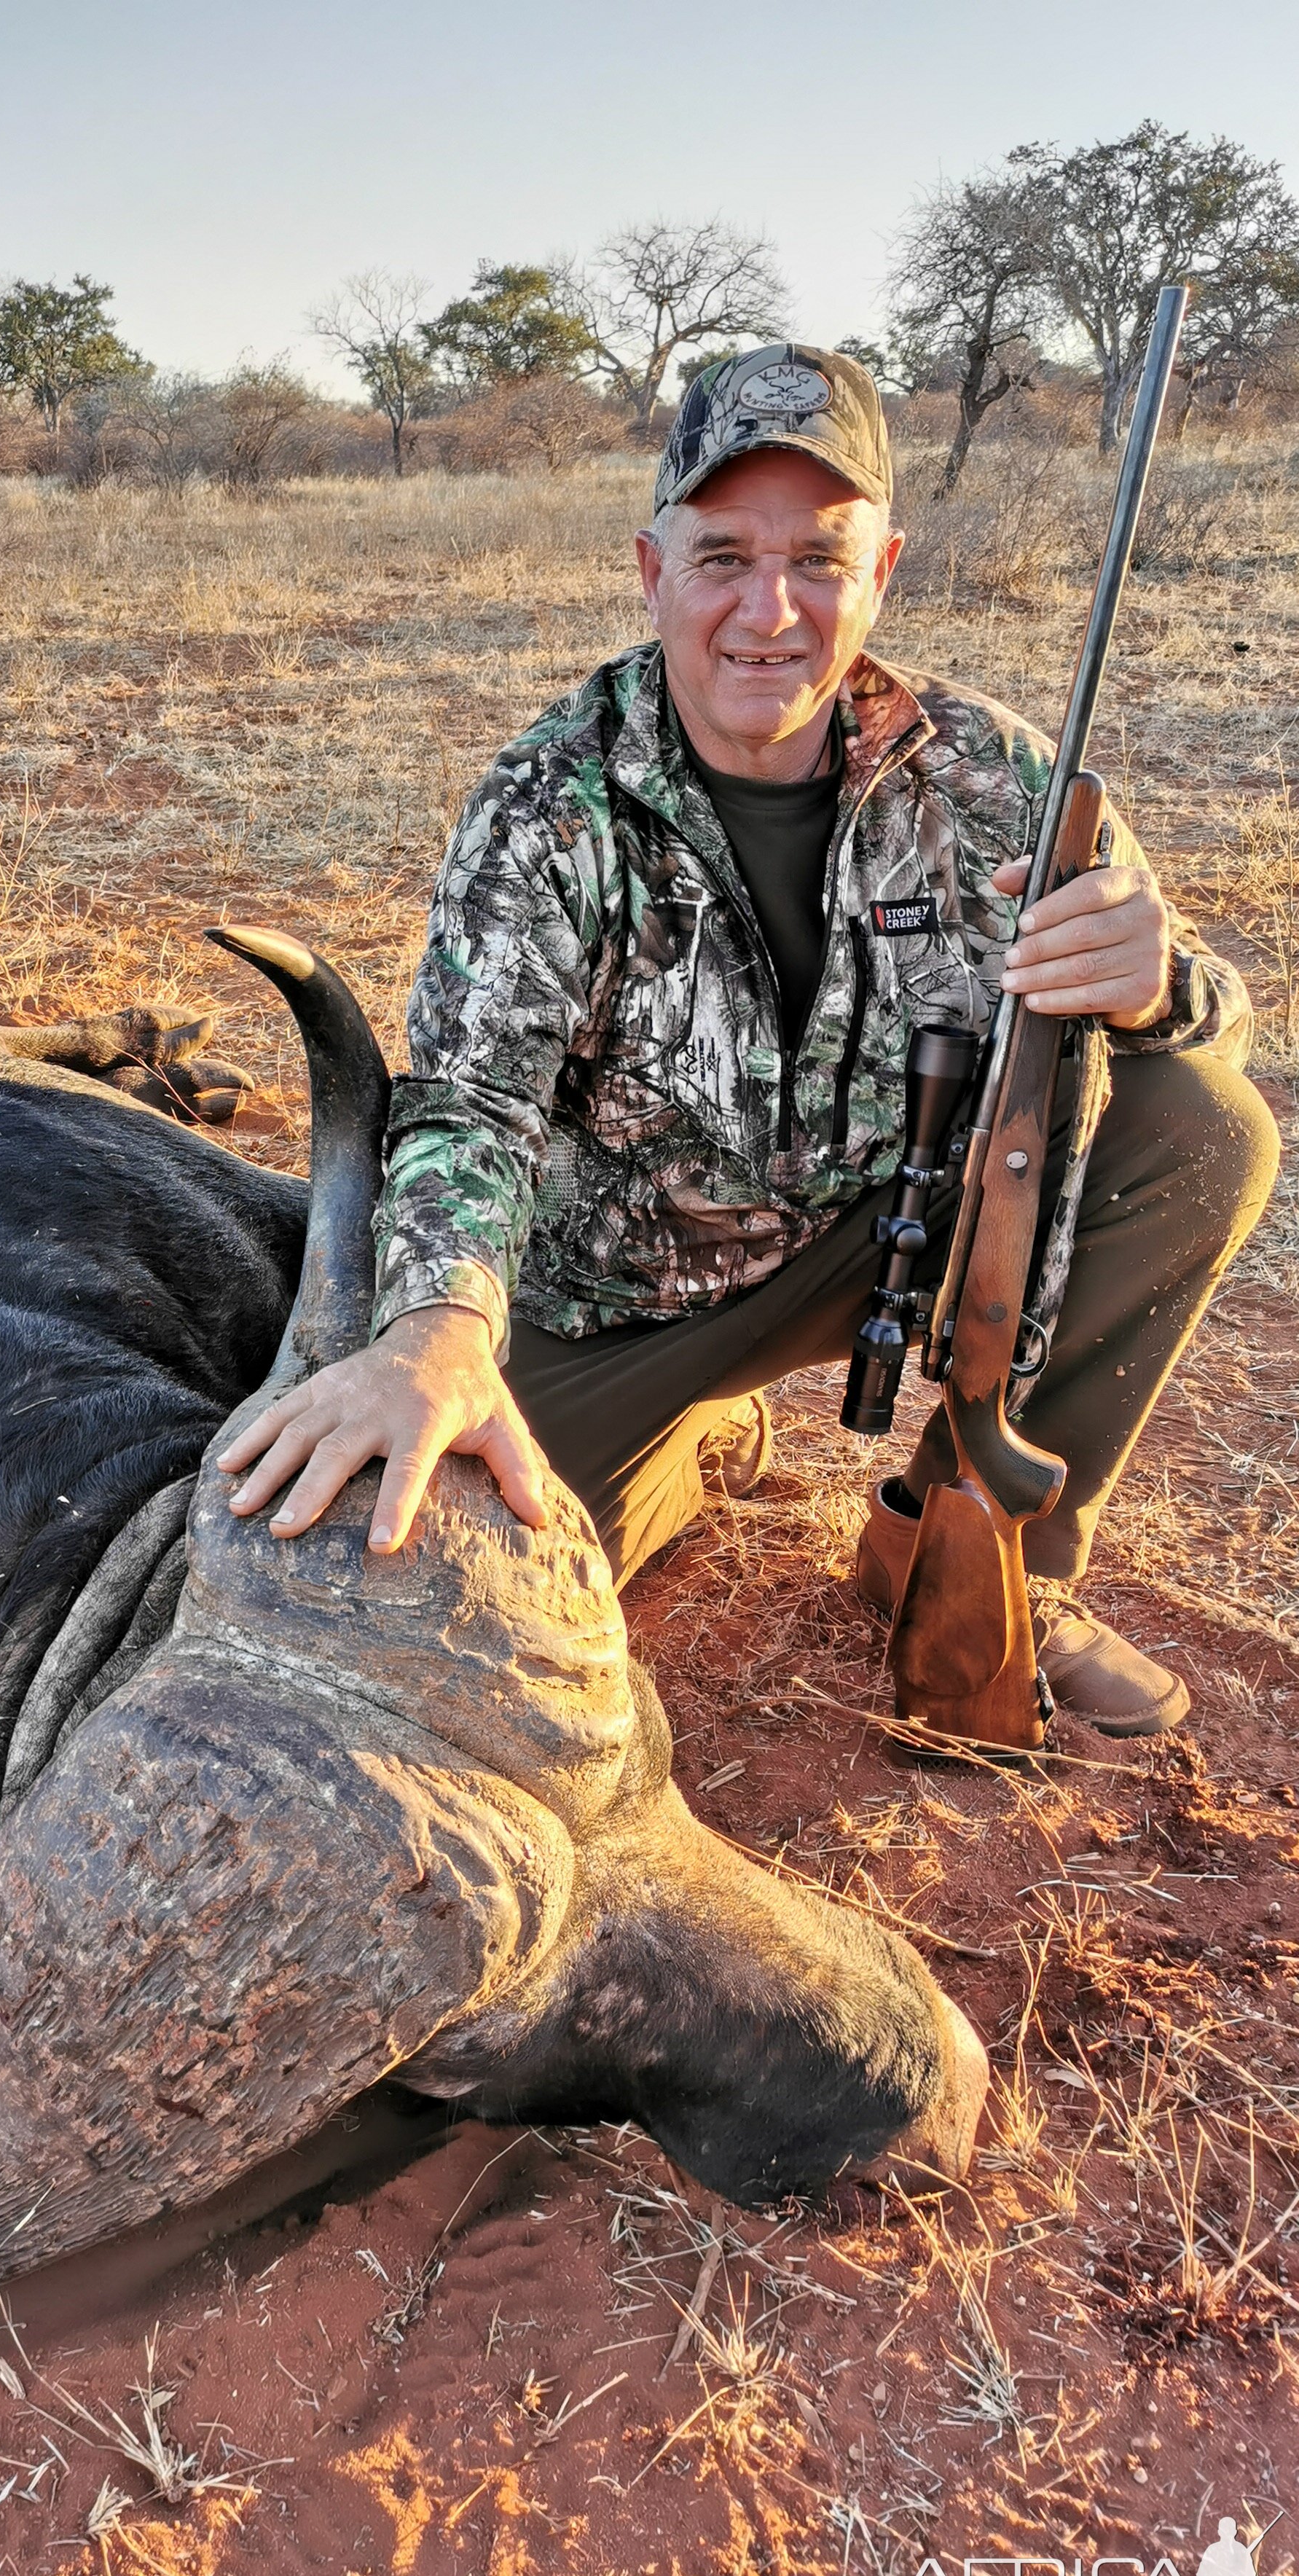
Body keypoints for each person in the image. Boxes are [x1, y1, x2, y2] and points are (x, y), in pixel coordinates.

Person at [221, 344, 1278, 1738]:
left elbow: (1208, 1013)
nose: (768, 611)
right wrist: (434, 1333)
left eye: (819, 559)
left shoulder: (994, 771)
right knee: (409, 1605)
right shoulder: (550, 798)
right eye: (723, 556)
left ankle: (991, 1552)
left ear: (884, 568)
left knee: (1202, 1128)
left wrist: (1154, 989)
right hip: (602, 1311)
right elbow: (474, 1104)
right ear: (653, 571)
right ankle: (681, 1449)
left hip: (878, 1239)